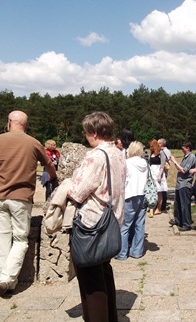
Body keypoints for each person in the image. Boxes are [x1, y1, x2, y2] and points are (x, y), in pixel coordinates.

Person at [0, 110, 57, 297]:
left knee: (1, 240)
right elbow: (49, 165)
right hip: (21, 198)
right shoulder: (33, 143)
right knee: (20, 240)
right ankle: (6, 279)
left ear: (9, 122)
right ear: (26, 124)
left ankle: (6, 282)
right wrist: (54, 179)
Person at [68, 111, 126, 322]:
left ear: (93, 132)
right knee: (104, 271)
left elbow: (78, 191)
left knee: (90, 279)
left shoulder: (95, 155)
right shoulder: (118, 153)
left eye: (85, 132)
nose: (85, 136)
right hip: (112, 221)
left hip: (92, 224)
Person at [116, 141, 148, 260]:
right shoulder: (144, 163)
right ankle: (137, 252)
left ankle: (122, 253)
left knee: (124, 226)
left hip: (129, 195)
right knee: (140, 225)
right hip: (142, 195)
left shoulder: (127, 163)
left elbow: (122, 180)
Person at [169, 141, 196, 231]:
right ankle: (178, 220)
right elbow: (180, 168)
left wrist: (174, 162)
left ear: (188, 148)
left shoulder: (191, 157)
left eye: (183, 148)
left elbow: (184, 170)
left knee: (185, 205)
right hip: (179, 184)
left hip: (185, 184)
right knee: (177, 204)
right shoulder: (185, 157)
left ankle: (187, 224)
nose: (182, 149)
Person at [148, 139, 168, 217]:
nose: (150, 148)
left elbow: (162, 165)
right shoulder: (152, 154)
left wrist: (159, 175)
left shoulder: (161, 153)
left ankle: (159, 208)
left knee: (159, 191)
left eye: (151, 146)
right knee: (152, 191)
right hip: (152, 173)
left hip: (158, 173)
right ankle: (151, 208)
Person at [158, 138, 171, 212]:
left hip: (163, 171)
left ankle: (163, 204)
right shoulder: (167, 150)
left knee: (163, 188)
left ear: (161, 144)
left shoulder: (164, 151)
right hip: (163, 171)